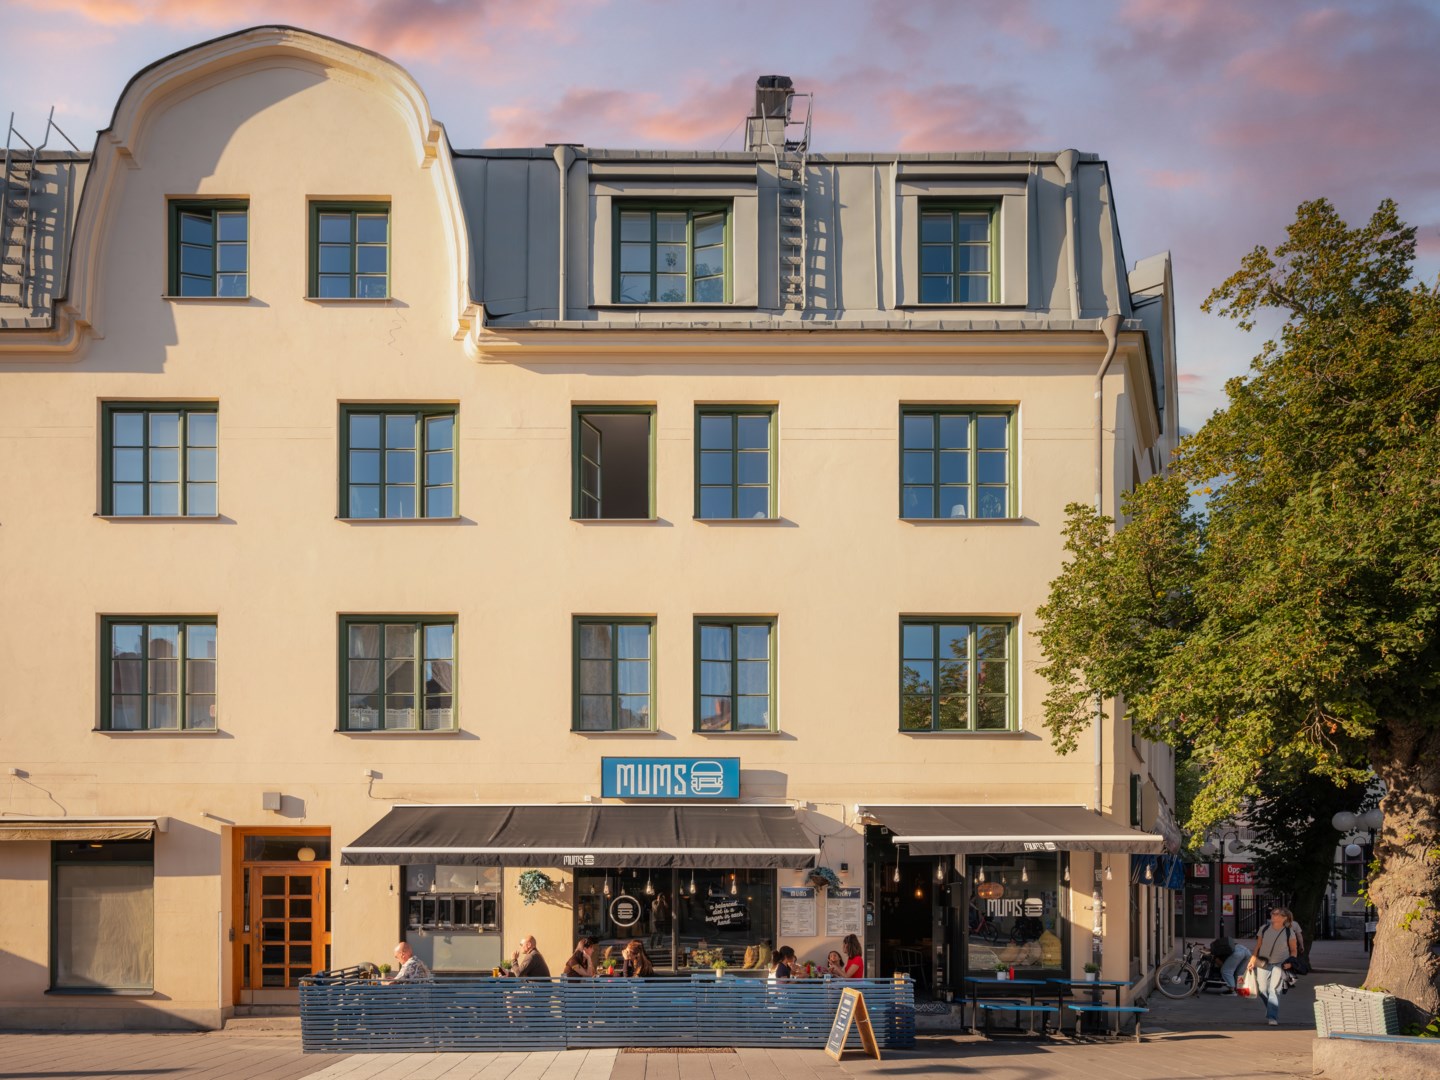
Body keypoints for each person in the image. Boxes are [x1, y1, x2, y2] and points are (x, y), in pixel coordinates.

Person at [1248, 907, 1299, 1025]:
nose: (1273, 915)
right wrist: (1252, 960)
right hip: (1262, 963)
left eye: (1276, 914)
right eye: (1272, 913)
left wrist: (1291, 962)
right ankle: (1271, 1008)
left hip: (1280, 964)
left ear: (1284, 918)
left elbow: (1293, 950)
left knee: (1274, 990)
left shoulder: (1288, 931)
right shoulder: (1264, 929)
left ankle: (1272, 1017)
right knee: (1262, 990)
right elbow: (1258, 946)